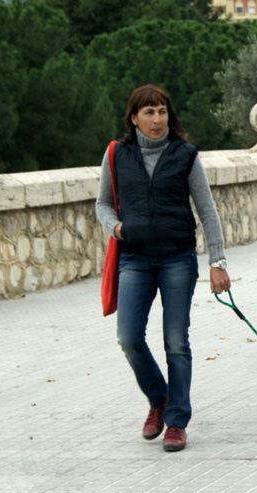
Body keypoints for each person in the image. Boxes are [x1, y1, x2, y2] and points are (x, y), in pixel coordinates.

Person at [95, 84, 231, 452]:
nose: (157, 120)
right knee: (128, 338)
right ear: (134, 118)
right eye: (149, 113)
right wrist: (117, 228)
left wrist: (217, 262)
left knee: (176, 343)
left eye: (162, 112)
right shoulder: (116, 154)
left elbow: (207, 210)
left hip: (177, 259)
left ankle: (176, 422)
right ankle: (159, 399)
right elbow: (102, 205)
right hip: (134, 259)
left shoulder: (185, 155)